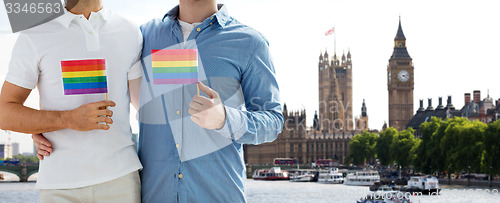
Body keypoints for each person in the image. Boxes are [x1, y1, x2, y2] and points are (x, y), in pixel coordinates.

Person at [35, 0, 283, 202]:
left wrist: (225, 119)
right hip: (156, 195)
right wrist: (48, 125)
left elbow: (273, 121)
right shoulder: (142, 36)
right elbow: (99, 83)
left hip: (218, 194)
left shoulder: (249, 42)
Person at [0, 0, 143, 202]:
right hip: (59, 187)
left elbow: (146, 109)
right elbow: (4, 114)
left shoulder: (130, 31)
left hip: (121, 181)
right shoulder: (34, 33)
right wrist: (65, 119)